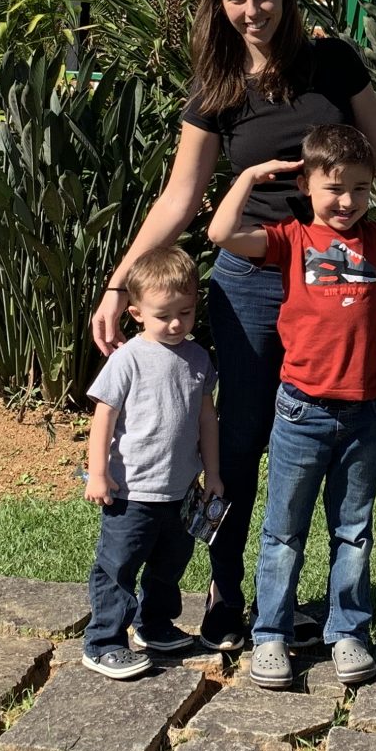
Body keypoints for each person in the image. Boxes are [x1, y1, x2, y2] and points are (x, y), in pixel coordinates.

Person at [89, 0, 376, 653]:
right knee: (239, 444)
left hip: (334, 280)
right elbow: (180, 198)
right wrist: (119, 281)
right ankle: (229, 600)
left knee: (323, 441)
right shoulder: (217, 88)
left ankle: (289, 602)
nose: (251, 9)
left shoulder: (331, 62)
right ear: (219, 4)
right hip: (254, 283)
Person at [208, 124, 376, 687]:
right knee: (283, 531)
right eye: (334, 189)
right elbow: (222, 233)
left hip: (363, 412)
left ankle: (348, 632)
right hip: (301, 410)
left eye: (360, 189)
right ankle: (270, 633)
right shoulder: (290, 239)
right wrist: (247, 176)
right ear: (308, 187)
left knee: (353, 530)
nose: (347, 201)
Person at [82, 245, 221, 679]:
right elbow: (103, 417)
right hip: (131, 491)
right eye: (164, 315)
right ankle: (103, 641)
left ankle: (154, 624)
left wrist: (212, 473)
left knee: (170, 564)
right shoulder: (128, 359)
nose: (176, 323)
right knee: (118, 566)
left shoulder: (198, 359)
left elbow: (206, 417)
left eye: (186, 312)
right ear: (136, 312)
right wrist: (99, 472)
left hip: (179, 489)